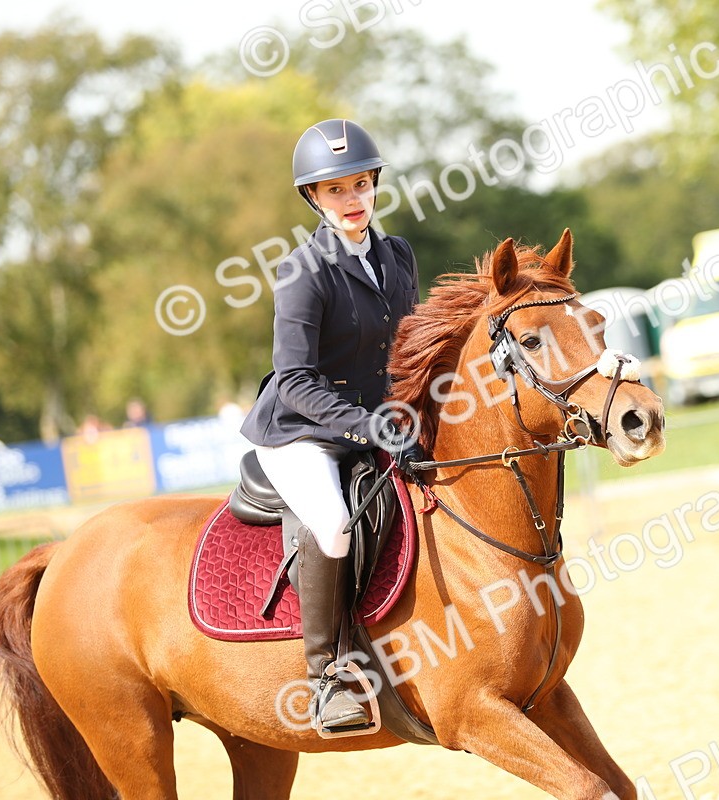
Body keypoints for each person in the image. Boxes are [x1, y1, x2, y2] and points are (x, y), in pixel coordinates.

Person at [240, 119, 425, 735]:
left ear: (374, 186)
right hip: (300, 431)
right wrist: (369, 427)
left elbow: (408, 353)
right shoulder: (302, 272)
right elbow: (293, 380)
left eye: (360, 185)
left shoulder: (396, 256)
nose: (353, 200)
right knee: (333, 524)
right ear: (314, 199)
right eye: (336, 190)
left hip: (376, 422)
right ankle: (326, 678)